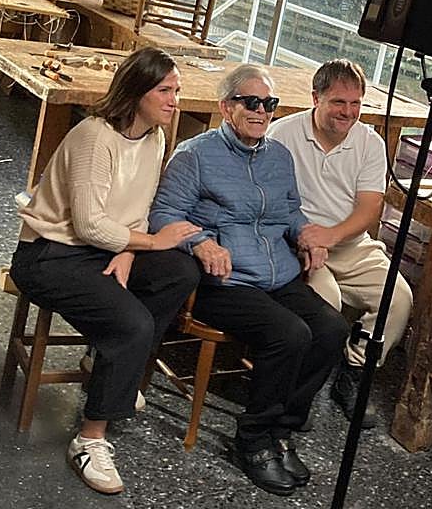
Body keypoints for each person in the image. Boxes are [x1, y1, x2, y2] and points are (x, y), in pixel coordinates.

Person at [9, 47, 202, 496]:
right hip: (50, 252)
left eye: (177, 90)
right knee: (132, 323)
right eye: (165, 90)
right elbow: (89, 223)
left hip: (101, 247)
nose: (175, 100)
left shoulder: (155, 137)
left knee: (179, 272)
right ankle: (90, 438)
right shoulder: (94, 136)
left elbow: (138, 209)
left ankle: (107, 362)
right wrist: (151, 241)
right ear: (137, 93)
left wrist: (132, 251)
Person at [149, 64, 348, 497]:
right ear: (226, 107)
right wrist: (202, 242)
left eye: (269, 104)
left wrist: (306, 234)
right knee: (290, 334)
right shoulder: (195, 155)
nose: (261, 111)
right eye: (250, 102)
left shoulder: (279, 157)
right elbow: (163, 214)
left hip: (279, 274)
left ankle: (281, 429)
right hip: (225, 281)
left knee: (332, 329)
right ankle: (253, 440)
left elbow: (290, 212)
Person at [268, 59, 412, 429]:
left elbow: (369, 209)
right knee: (325, 303)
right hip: (295, 243)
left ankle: (353, 374)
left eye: (355, 104)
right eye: (338, 102)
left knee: (398, 298)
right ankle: (295, 391)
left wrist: (331, 237)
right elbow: (267, 199)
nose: (347, 112)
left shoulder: (369, 143)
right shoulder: (282, 134)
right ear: (315, 98)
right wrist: (303, 238)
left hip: (349, 243)